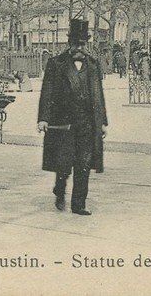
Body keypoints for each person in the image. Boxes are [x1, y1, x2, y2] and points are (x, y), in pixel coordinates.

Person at [37, 19, 108, 216]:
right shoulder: (56, 64)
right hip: (63, 123)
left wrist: (102, 122)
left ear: (87, 44)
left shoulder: (93, 65)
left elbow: (99, 94)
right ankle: (60, 191)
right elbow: (47, 92)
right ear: (69, 44)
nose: (79, 48)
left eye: (82, 44)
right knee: (63, 164)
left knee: (84, 164)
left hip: (86, 123)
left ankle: (78, 204)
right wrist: (43, 118)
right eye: (76, 43)